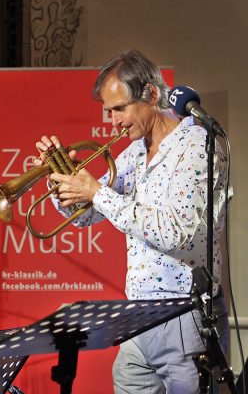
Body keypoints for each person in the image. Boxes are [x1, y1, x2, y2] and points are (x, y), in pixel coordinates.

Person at [35, 49, 229, 393]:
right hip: (137, 315)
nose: (113, 121)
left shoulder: (197, 145)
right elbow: (87, 216)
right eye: (108, 112)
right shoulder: (133, 153)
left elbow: (174, 232)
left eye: (119, 109)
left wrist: (96, 191)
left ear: (152, 95)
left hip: (183, 313)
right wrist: (62, 180)